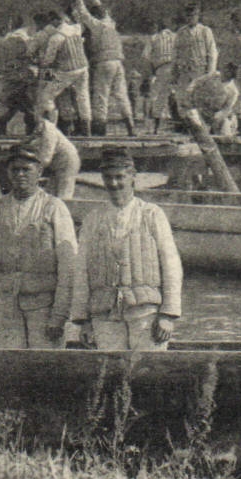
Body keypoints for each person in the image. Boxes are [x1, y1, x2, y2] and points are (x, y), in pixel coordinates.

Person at [69, 148, 182, 351]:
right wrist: (83, 320)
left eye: (120, 177)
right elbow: (81, 272)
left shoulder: (152, 215)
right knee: (110, 375)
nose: (114, 184)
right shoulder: (92, 219)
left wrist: (167, 315)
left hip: (146, 314)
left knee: (148, 374)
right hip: (104, 315)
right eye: (108, 178)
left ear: (132, 177)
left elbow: (171, 266)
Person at [0, 144, 79, 349]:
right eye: (15, 169)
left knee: (45, 367)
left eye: (26, 169)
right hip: (3, 306)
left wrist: (59, 315)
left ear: (39, 172)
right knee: (5, 367)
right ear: (8, 173)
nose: (20, 174)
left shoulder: (54, 207)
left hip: (42, 307)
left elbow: (68, 266)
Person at [74, 0, 137, 136]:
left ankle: (100, 129)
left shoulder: (97, 25)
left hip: (104, 62)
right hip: (118, 62)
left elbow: (83, 13)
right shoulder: (110, 22)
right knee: (122, 95)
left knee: (101, 95)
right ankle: (131, 127)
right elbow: (98, 4)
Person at [0, 14, 39, 137]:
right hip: (20, 75)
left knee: (13, 103)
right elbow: (27, 57)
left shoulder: (8, 39)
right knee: (22, 103)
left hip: (11, 75)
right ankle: (32, 128)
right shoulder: (23, 39)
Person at [172, 2, 218, 111]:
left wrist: (210, 72)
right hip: (185, 71)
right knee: (183, 98)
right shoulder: (181, 32)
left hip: (200, 70)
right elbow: (175, 52)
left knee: (199, 99)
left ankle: (200, 125)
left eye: (193, 15)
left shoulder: (205, 31)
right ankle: (185, 124)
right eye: (188, 15)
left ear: (198, 16)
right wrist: (174, 70)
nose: (191, 18)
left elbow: (212, 52)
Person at [26, 115, 81, 198]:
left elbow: (46, 158)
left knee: (64, 194)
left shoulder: (48, 131)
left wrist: (34, 169)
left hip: (67, 163)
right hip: (56, 165)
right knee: (50, 194)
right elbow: (30, 141)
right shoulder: (39, 128)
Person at [143, 16, 178, 132]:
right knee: (173, 95)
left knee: (155, 97)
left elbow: (145, 57)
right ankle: (179, 124)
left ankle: (153, 127)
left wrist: (149, 74)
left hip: (161, 68)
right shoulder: (175, 37)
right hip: (176, 68)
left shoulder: (154, 38)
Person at [186, 63, 241, 135]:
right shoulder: (213, 76)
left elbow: (226, 109)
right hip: (201, 108)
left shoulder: (233, 91)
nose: (225, 73)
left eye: (228, 72)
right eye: (225, 70)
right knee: (194, 121)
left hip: (215, 114)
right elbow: (197, 82)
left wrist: (216, 118)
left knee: (223, 131)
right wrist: (190, 91)